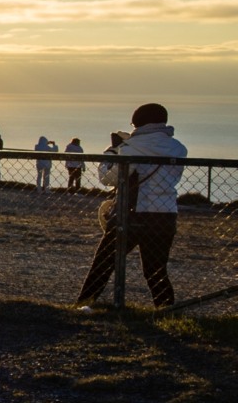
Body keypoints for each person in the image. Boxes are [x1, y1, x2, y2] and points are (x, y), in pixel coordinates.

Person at [75, 103, 187, 308]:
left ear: (137, 122)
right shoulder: (178, 148)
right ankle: (165, 308)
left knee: (104, 262)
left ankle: (85, 302)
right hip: (165, 212)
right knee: (156, 268)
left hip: (133, 212)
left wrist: (111, 153)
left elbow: (109, 178)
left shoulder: (130, 148)